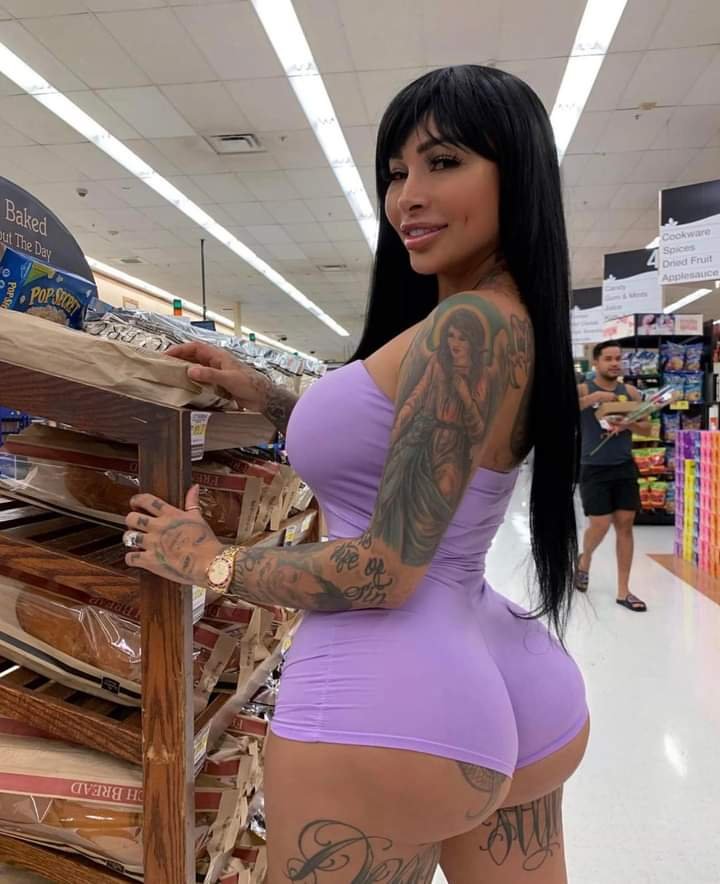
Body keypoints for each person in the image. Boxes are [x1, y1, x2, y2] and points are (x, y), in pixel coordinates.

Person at [123, 66, 589, 884]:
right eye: (396, 172)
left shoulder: (466, 326)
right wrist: (269, 396)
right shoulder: (510, 319)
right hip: (505, 670)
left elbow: (383, 570)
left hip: (386, 702)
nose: (408, 196)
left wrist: (210, 561)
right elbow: (398, 451)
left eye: (443, 162)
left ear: (516, 172)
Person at [577, 340, 652, 612]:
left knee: (625, 524)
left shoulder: (629, 392)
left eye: (618, 358)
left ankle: (623, 591)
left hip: (623, 466)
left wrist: (627, 424)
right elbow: (563, 412)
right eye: (608, 359)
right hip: (593, 466)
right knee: (599, 524)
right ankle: (584, 560)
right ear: (596, 362)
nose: (615, 363)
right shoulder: (584, 389)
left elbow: (647, 428)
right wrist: (595, 398)